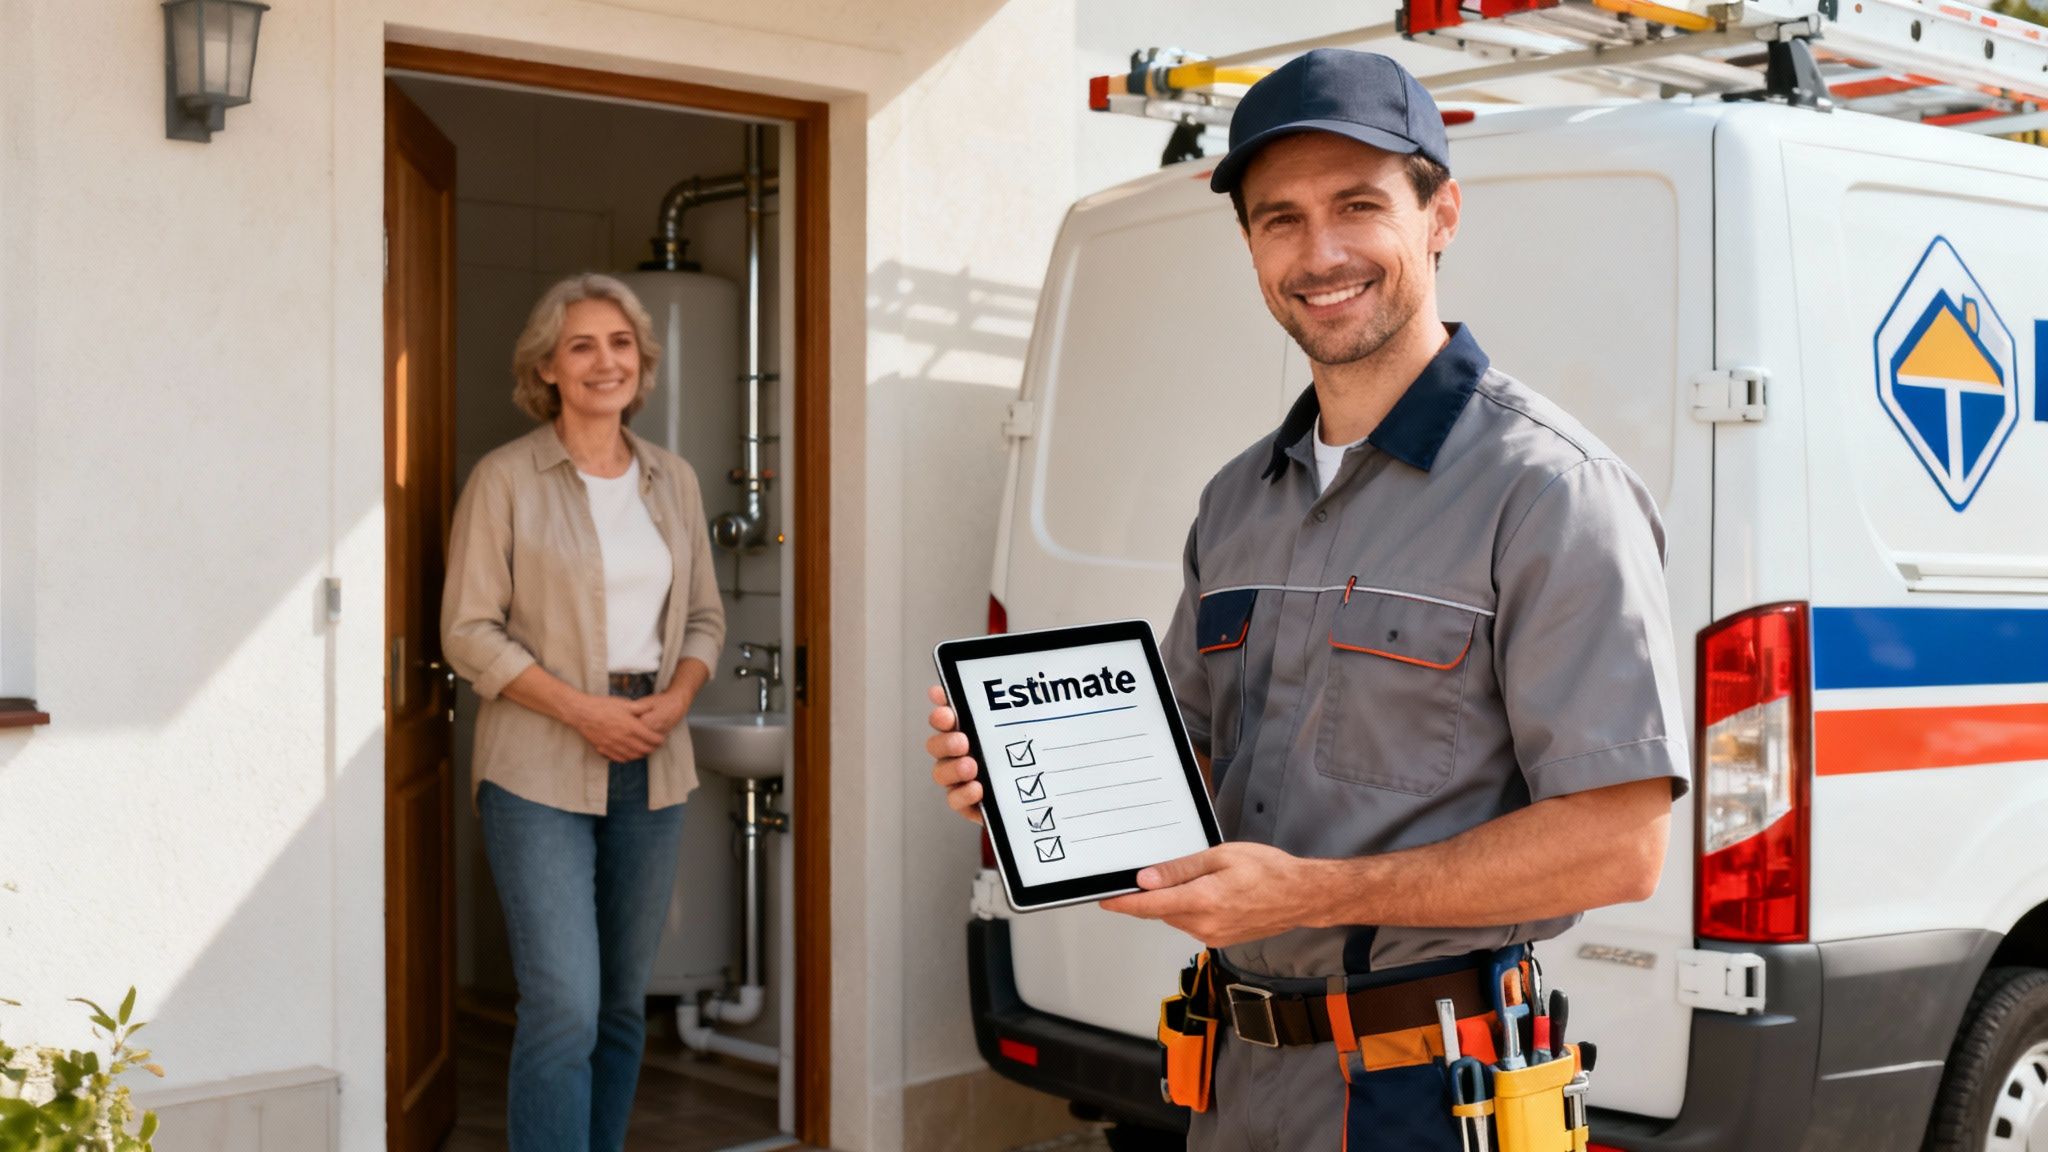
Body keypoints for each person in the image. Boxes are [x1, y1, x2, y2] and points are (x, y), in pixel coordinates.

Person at [926, 50, 1688, 1149]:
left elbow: (1617, 846)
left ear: (1440, 215)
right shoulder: (1238, 500)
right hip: (1233, 1082)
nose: (1318, 252)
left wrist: (1308, 893)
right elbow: (1183, 765)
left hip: (1430, 1095)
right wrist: (1023, 782)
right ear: (1248, 247)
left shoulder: (1547, 491)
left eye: (1357, 206)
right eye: (1278, 219)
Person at [442, 272, 725, 1152]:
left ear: (642, 364)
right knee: (563, 1005)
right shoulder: (506, 479)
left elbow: (707, 617)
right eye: (582, 345)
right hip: (537, 766)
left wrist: (675, 698)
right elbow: (467, 631)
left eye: (621, 344)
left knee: (618, 1007)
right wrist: (583, 711)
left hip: (655, 754)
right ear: (548, 368)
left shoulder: (671, 481)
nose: (606, 361)